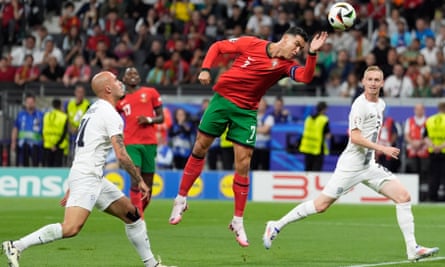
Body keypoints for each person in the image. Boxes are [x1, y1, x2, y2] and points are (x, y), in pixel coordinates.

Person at [168, 26, 328, 247]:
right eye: (297, 45)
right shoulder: (251, 43)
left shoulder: (286, 66)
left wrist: (312, 53)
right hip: (222, 100)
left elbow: (306, 76)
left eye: (301, 48)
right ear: (285, 38)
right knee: (200, 147)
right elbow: (218, 47)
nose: (297, 51)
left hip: (246, 112)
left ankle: (238, 220)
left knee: (243, 163)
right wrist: (206, 68)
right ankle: (181, 198)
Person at [262, 66, 439, 262]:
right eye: (369, 79)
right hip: (350, 166)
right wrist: (382, 148)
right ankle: (276, 225)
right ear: (363, 82)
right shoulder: (359, 105)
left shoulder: (380, 104)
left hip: (368, 166)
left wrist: (374, 152)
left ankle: (412, 249)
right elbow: (355, 137)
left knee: (403, 197)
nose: (372, 83)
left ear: (382, 83)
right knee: (321, 205)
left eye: (376, 80)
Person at [2, 71, 174, 267]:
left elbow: (84, 147)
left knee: (132, 215)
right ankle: (16, 245)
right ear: (108, 88)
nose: (120, 83)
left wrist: (73, 183)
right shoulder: (110, 114)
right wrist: (140, 180)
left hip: (91, 176)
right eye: (116, 81)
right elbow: (121, 155)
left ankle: (152, 265)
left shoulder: (94, 109)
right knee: (71, 228)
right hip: (87, 176)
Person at [116, 67, 164, 217]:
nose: (133, 76)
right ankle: (139, 218)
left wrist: (149, 119)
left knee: (148, 183)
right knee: (136, 178)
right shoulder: (120, 101)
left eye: (135, 73)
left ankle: (138, 212)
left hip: (149, 142)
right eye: (129, 74)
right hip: (131, 142)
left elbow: (161, 117)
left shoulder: (151, 93)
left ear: (139, 78)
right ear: (124, 79)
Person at [404, 104, 429, 201]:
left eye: (421, 109)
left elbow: (429, 135)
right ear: (414, 110)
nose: (419, 111)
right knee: (413, 170)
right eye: (417, 109)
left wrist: (421, 142)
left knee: (425, 172)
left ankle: (424, 194)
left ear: (424, 110)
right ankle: (412, 193)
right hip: (412, 151)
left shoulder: (428, 121)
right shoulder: (409, 121)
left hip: (425, 150)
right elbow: (406, 135)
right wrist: (413, 143)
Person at [10, 93, 43, 167]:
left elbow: (44, 129)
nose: (29, 104)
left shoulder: (40, 114)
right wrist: (13, 142)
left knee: (36, 164)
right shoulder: (21, 115)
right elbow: (15, 128)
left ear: (34, 103)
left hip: (36, 145)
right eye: (28, 102)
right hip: (23, 144)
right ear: (25, 103)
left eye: (31, 102)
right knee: (23, 164)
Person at [299, 101, 330, 171]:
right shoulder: (324, 119)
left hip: (307, 148)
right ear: (323, 109)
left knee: (307, 171)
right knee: (316, 173)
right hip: (317, 150)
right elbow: (328, 136)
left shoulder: (308, 118)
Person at [423, 101, 445, 202]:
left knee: (433, 176)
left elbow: (425, 137)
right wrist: (440, 147)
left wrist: (433, 146)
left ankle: (432, 197)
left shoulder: (430, 120)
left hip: (432, 152)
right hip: (443, 151)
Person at [42, 98, 69, 167]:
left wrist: (51, 144)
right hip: (59, 146)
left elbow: (43, 131)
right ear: (60, 106)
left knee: (48, 168)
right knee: (58, 168)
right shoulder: (64, 117)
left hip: (48, 145)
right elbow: (64, 133)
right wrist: (56, 145)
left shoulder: (46, 116)